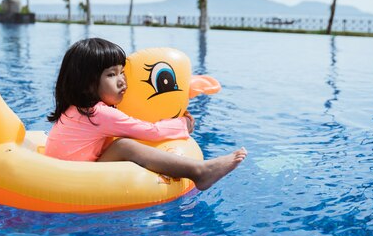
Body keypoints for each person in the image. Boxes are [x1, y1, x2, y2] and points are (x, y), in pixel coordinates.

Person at [45, 37, 247, 190]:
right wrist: (183, 124)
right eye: (111, 74)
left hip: (56, 173)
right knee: (125, 146)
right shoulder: (100, 114)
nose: (122, 80)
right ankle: (200, 171)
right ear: (87, 85)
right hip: (76, 180)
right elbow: (151, 132)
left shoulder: (75, 108)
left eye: (122, 72)